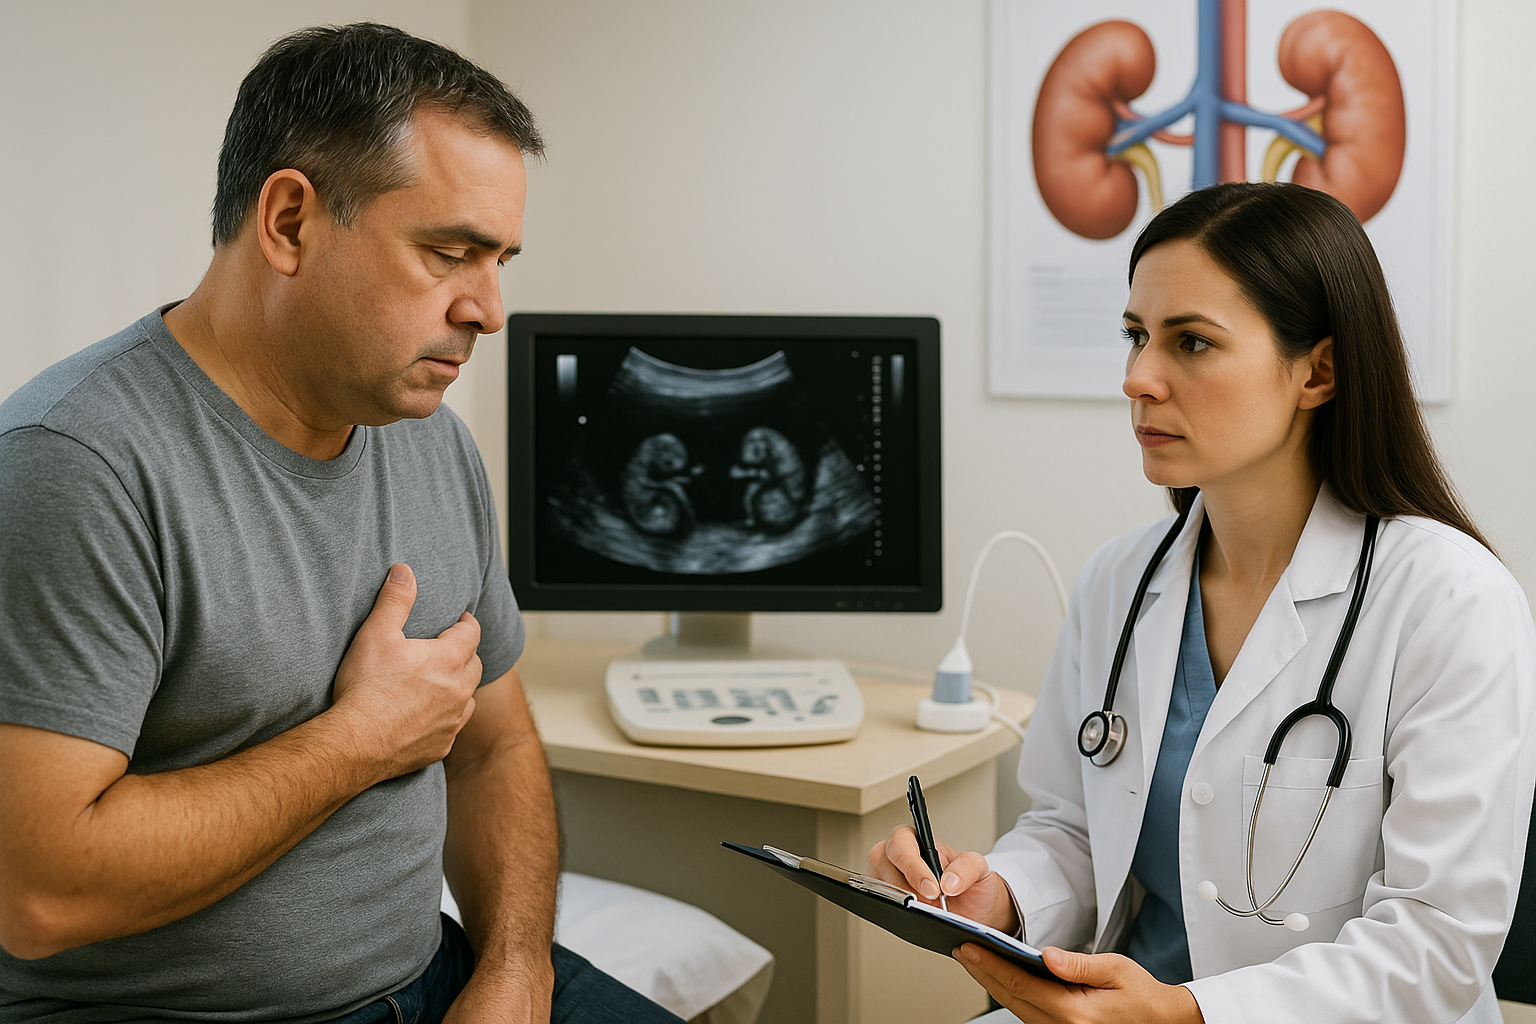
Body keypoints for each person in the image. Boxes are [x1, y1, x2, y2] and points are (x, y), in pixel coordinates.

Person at [0, 23, 681, 1024]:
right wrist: (359, 741)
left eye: (501, 262)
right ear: (289, 221)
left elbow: (493, 747)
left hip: (441, 974)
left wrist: (514, 969)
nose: (490, 309)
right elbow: (40, 893)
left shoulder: (431, 442)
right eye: (452, 253)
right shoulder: (77, 467)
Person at [871, 181, 1536, 1023]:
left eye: (1191, 342)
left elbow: (1436, 947)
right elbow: (1071, 831)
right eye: (1136, 336)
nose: (1138, 378)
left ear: (1318, 371)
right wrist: (994, 895)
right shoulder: (1121, 580)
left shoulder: (1450, 599)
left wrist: (1185, 1015)